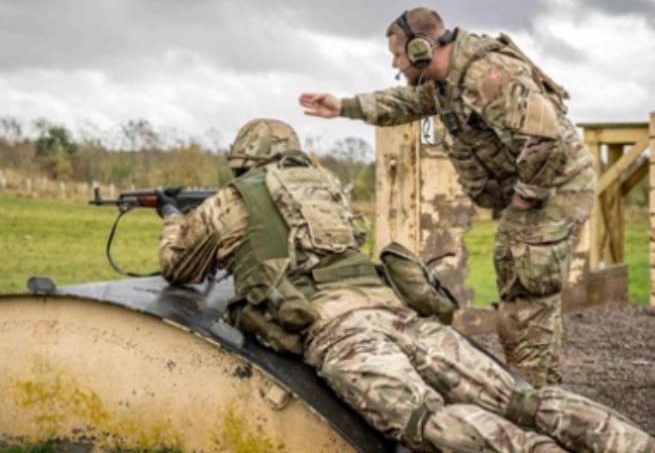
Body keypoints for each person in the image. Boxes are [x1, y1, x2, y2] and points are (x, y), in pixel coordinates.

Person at [157, 118, 652, 453]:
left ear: (242, 162)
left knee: (426, 422)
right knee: (521, 399)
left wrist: (173, 218)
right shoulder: (326, 187)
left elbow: (178, 267)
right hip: (396, 311)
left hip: (339, 332)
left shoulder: (231, 200)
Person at [299, 7, 596, 388]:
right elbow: (405, 104)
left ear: (421, 49)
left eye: (397, 55)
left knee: (527, 286)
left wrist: (524, 198)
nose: (394, 63)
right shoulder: (445, 82)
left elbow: (544, 140)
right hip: (535, 187)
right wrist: (343, 106)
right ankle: (533, 387)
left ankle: (536, 395)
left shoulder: (489, 75)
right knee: (518, 280)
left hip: (555, 186)